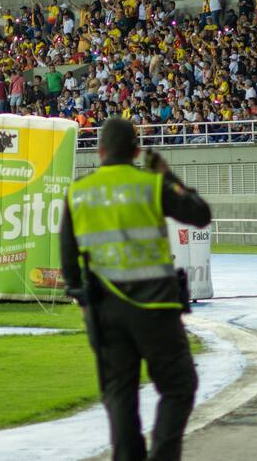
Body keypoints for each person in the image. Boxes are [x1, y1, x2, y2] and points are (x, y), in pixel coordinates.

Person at [60, 117, 211, 461]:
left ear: (99, 151)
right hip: (156, 307)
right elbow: (200, 215)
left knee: (119, 394)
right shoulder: (150, 184)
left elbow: (68, 259)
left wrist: (82, 300)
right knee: (178, 387)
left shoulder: (78, 192)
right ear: (136, 151)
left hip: (106, 310)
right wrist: (167, 176)